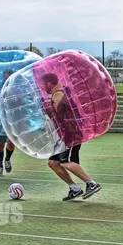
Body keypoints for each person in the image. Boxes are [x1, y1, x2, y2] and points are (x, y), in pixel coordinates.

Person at [42, 73, 101, 201]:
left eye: (43, 84)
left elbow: (59, 117)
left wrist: (47, 109)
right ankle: (74, 189)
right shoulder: (62, 92)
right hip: (67, 134)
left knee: (66, 162)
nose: (43, 87)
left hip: (70, 134)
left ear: (49, 83)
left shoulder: (58, 95)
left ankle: (91, 183)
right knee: (53, 162)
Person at [0, 69, 15, 176]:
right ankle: (0, 165)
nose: (8, 76)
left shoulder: (16, 86)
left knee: (11, 142)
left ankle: (7, 159)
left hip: (12, 119)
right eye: (7, 74)